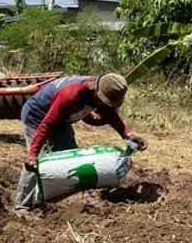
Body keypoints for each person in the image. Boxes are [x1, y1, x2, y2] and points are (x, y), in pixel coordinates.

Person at [15, 73, 147, 216]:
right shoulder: (70, 94)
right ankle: (23, 205)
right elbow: (47, 124)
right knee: (38, 163)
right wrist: (33, 153)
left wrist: (128, 135)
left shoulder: (100, 88)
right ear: (96, 90)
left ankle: (61, 197)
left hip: (61, 119)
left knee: (71, 160)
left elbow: (110, 115)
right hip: (37, 117)